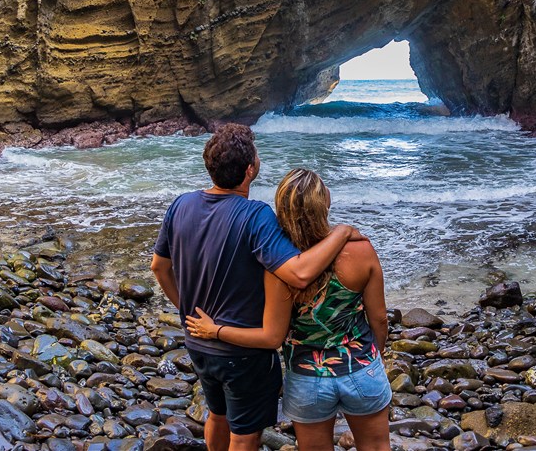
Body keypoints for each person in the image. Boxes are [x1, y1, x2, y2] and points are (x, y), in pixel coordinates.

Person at [150, 125, 363, 451]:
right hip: (242, 352)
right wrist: (342, 232)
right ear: (251, 169)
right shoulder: (255, 216)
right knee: (244, 435)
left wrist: (186, 310)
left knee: (218, 414)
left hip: (198, 339)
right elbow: (300, 274)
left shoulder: (181, 205)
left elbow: (159, 267)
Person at [186, 168, 391, 451]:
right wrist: (373, 358)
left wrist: (216, 331)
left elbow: (274, 336)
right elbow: (379, 319)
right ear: (325, 204)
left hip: (308, 379)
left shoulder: (278, 267)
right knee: (377, 447)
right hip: (362, 369)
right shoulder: (361, 251)